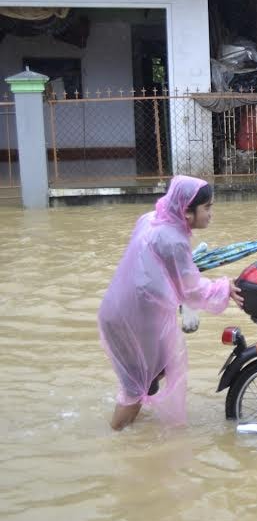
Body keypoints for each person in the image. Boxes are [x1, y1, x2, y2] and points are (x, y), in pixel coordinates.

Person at [98, 175, 244, 431]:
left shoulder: (150, 219)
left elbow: (154, 271)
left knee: (156, 372)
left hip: (123, 311)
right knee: (136, 388)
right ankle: (116, 440)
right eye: (207, 207)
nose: (211, 214)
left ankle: (135, 429)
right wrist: (224, 287)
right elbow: (192, 290)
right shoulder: (173, 240)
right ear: (186, 212)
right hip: (133, 320)